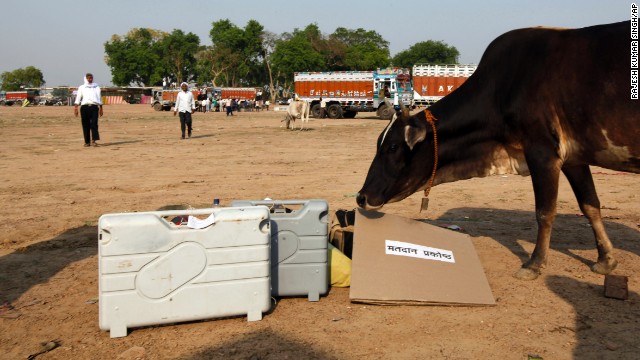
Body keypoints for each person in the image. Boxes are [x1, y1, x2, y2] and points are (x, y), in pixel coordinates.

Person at [74, 73, 103, 147]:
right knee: (85, 125)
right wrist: (76, 108)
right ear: (85, 78)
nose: (90, 79)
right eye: (88, 78)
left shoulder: (96, 87)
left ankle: (94, 140)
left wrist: (101, 108)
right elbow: (78, 97)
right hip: (84, 107)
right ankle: (87, 142)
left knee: (94, 124)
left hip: (94, 107)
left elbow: (99, 97)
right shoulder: (82, 87)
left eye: (91, 78)